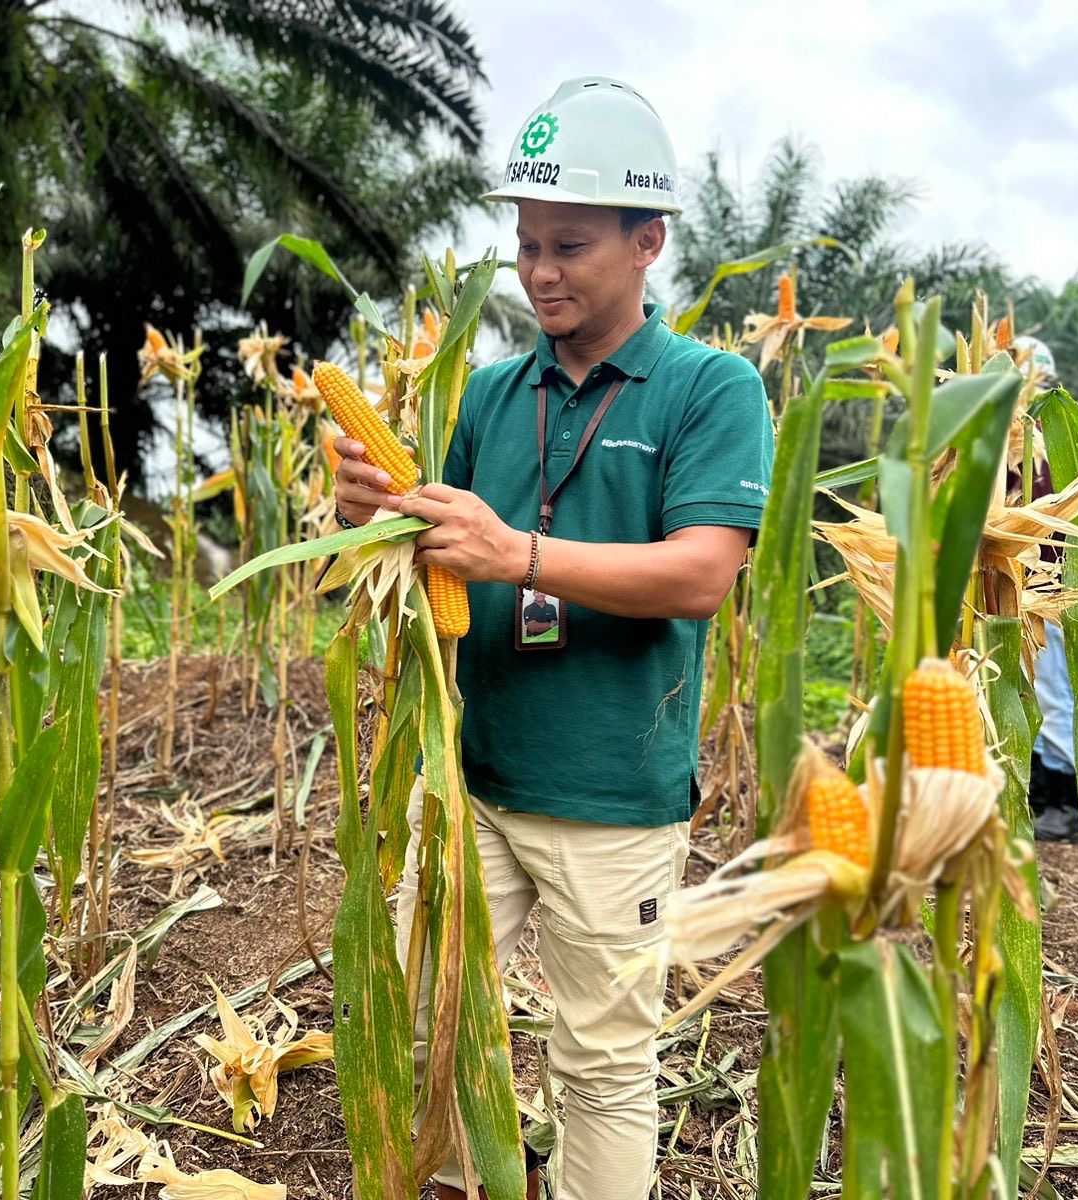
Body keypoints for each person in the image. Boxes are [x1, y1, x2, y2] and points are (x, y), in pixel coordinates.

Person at [331, 76, 775, 1200]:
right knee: (420, 1008)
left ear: (646, 243)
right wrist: (378, 510)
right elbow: (451, 544)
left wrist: (515, 556)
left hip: (611, 795)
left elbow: (699, 575)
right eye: (526, 244)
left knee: (601, 1062)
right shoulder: (491, 393)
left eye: (568, 246)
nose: (537, 273)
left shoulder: (709, 390)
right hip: (474, 776)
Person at [1012, 334, 1078, 842]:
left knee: (1053, 692)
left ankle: (1066, 801)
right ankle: (1036, 790)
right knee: (1026, 688)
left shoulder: (1049, 440)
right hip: (1010, 588)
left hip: (1047, 589)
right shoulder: (1001, 440)